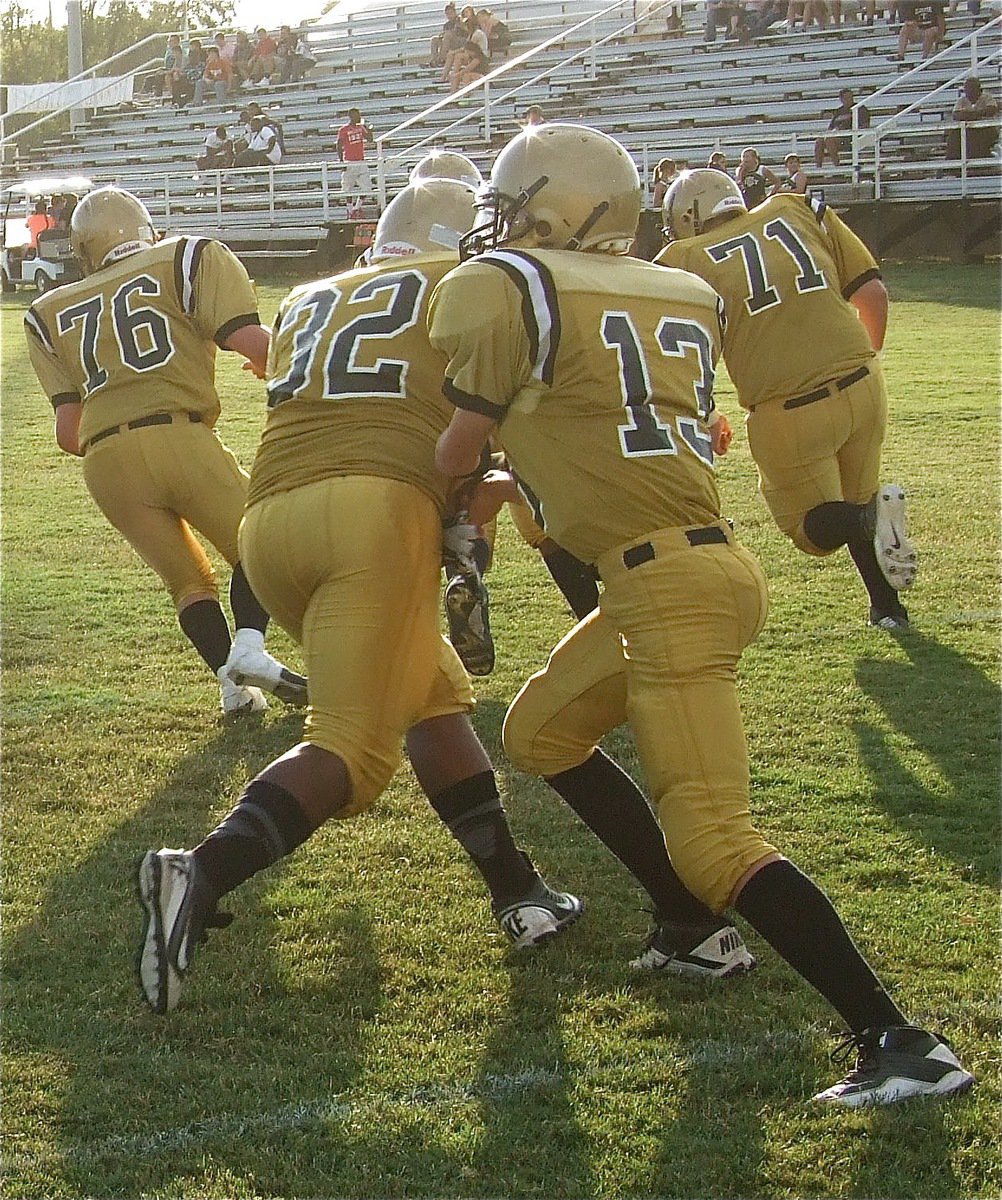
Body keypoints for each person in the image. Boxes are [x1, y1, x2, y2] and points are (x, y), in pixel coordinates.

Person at [431, 123, 975, 1108]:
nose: (501, 222)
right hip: (685, 568)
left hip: (668, 589)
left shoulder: (510, 287)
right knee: (541, 732)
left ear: (568, 205)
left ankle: (898, 1040)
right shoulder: (672, 286)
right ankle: (690, 930)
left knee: (717, 837)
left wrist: (441, 511)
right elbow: (593, 416)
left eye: (517, 203)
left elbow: (456, 446)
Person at [135, 179, 584, 1015]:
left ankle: (519, 892)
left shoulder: (310, 296)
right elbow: (484, 426)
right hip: (372, 516)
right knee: (352, 751)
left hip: (269, 526)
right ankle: (197, 872)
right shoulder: (473, 284)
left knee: (433, 696)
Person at [22, 187, 306, 716]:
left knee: (188, 582)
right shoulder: (184, 256)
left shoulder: (47, 309)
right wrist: (279, 362)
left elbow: (68, 433)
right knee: (258, 545)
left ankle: (233, 690)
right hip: (180, 436)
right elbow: (248, 339)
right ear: (142, 226)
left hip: (105, 464)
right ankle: (250, 650)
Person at [658, 167, 918, 628]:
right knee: (858, 498)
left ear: (684, 219)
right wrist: (861, 362)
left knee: (812, 529)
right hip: (864, 384)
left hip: (789, 408)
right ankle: (887, 606)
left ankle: (868, 526)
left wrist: (708, 411)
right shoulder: (797, 207)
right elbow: (872, 293)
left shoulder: (682, 258)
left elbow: (677, 357)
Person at [815, 88, 871, 168]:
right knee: (819, 141)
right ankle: (818, 168)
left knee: (829, 140)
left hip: (852, 138)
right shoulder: (838, 111)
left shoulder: (860, 109)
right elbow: (830, 128)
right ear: (841, 99)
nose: (849, 100)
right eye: (846, 98)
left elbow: (865, 126)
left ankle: (837, 166)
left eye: (850, 97)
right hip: (839, 137)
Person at [946, 76, 1000, 159]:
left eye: (972, 88)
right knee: (954, 136)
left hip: (986, 129)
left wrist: (968, 114)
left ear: (978, 88)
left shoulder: (987, 97)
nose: (969, 91)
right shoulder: (962, 100)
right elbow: (956, 115)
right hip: (968, 129)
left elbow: (991, 110)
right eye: (967, 89)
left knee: (979, 139)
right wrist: (978, 114)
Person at [336, 108, 374, 205]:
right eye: (357, 115)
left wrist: (368, 128)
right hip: (349, 161)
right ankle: (350, 210)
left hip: (361, 161)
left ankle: (357, 207)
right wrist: (341, 161)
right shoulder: (343, 129)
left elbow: (370, 139)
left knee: (367, 186)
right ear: (351, 116)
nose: (359, 117)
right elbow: (339, 145)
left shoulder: (361, 128)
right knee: (347, 188)